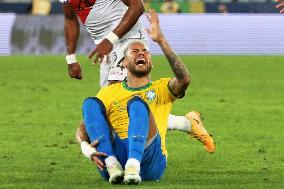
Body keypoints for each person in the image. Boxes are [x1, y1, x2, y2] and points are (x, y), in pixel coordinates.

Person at [76, 9, 215, 185]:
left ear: (151, 62)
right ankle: (111, 164)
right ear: (124, 63)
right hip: (115, 162)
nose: (141, 53)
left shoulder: (161, 88)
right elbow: (83, 128)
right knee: (90, 103)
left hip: (150, 163)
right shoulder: (109, 92)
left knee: (137, 104)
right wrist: (85, 148)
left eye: (145, 51)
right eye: (134, 51)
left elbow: (184, 79)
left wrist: (161, 41)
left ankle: (133, 166)